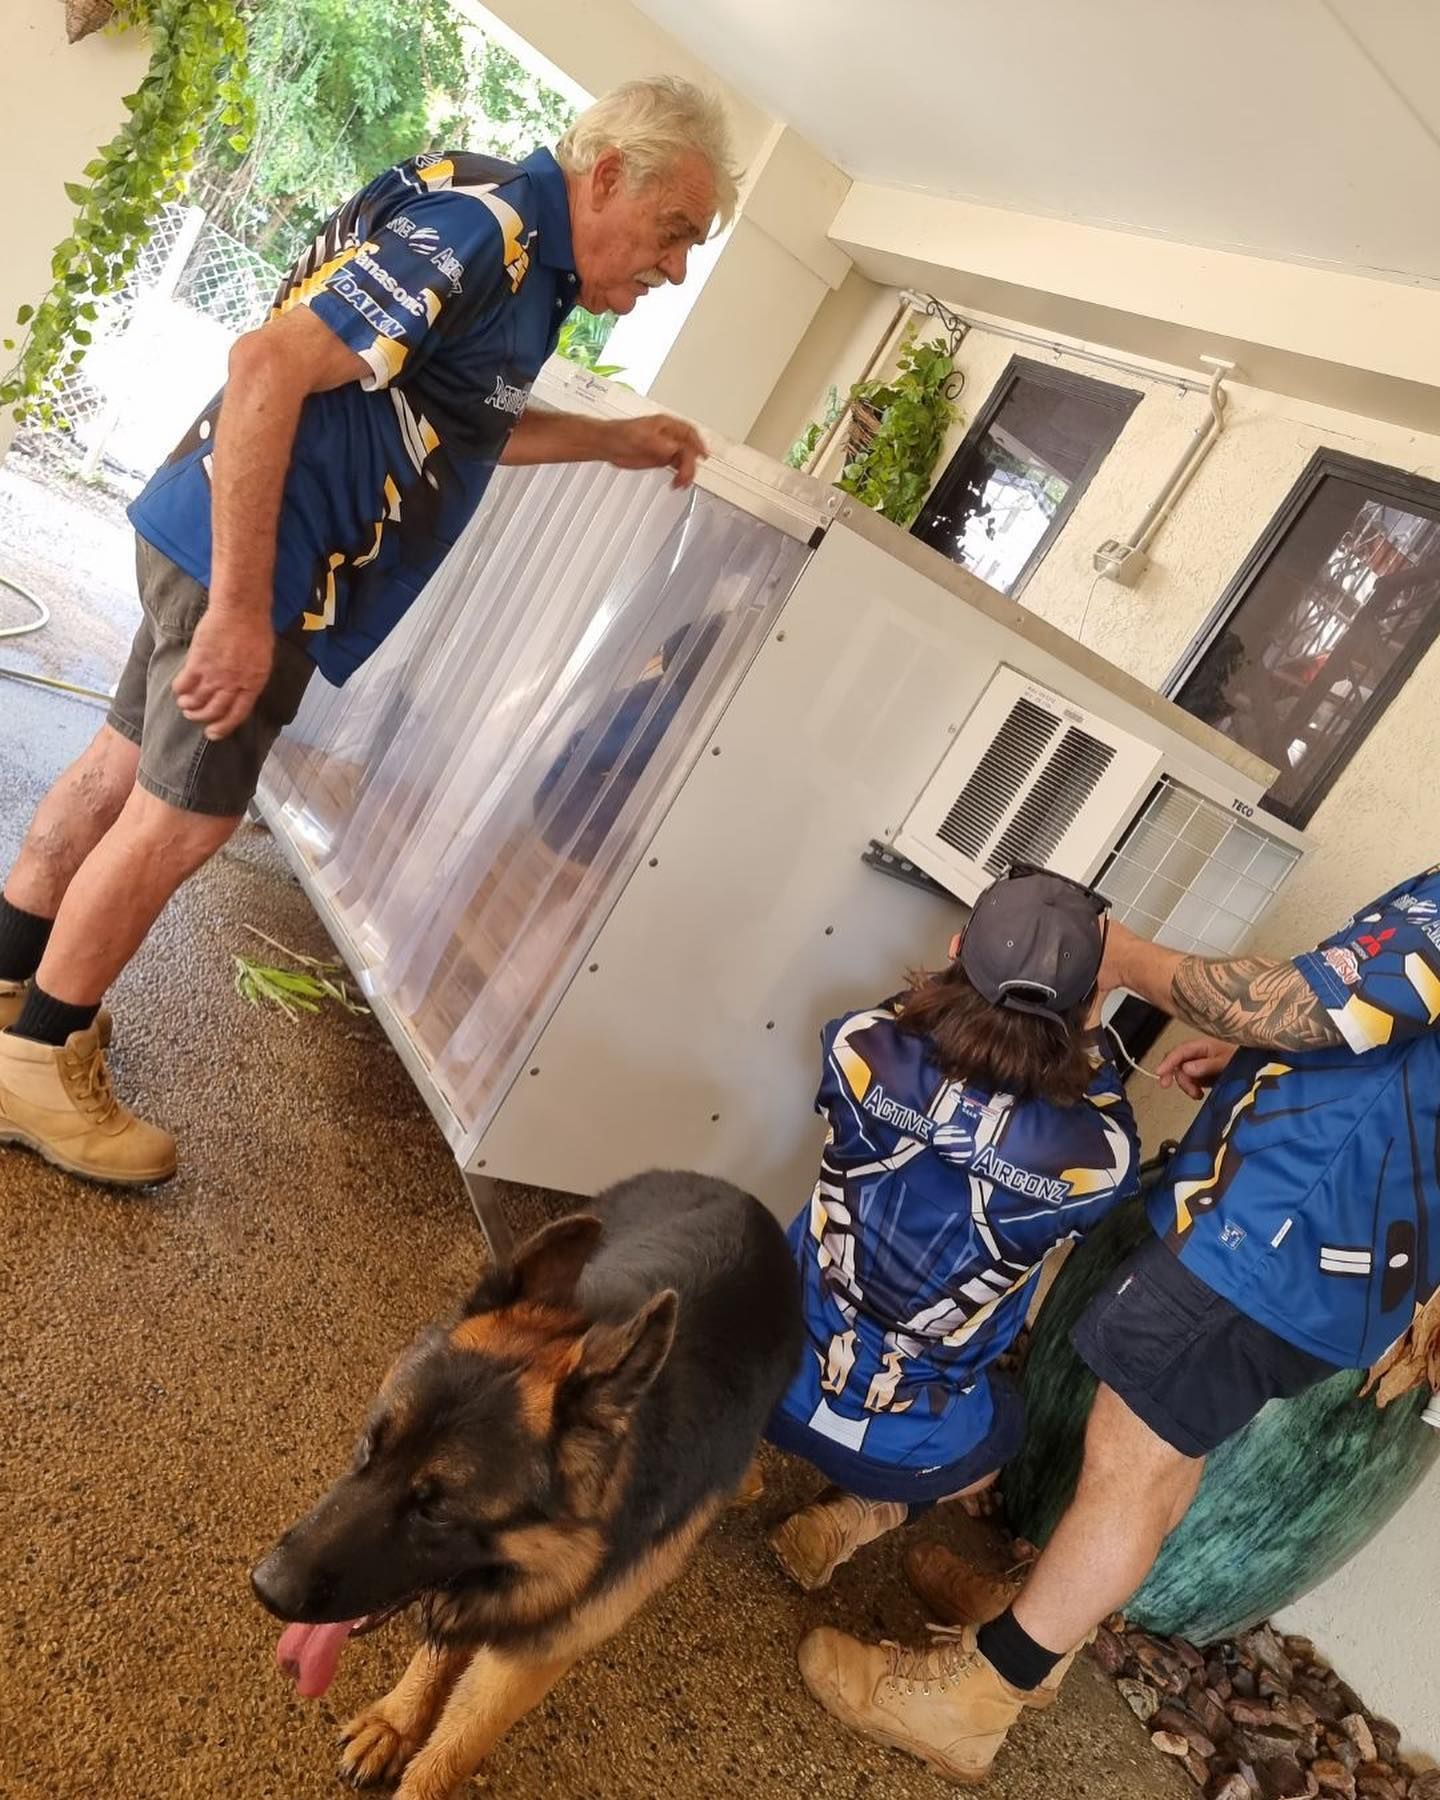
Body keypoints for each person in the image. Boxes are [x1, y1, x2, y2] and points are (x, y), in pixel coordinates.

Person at [0, 77, 737, 1186]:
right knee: (183, 820)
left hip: (213, 535)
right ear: (608, 175)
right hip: (260, 560)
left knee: (117, 771)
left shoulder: (512, 243)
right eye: (675, 232)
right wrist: (249, 610)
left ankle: (13, 983)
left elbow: (452, 418)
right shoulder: (484, 236)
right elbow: (269, 363)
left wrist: (607, 438)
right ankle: (37, 1063)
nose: (674, 266)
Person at [797, 862, 1440, 1787]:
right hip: (1328, 1245)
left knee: (1131, 1463)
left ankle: (973, 1698)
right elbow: (1381, 1043)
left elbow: (1315, 1006)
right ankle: (1038, 1637)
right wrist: (1273, 1067)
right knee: (1165, 1457)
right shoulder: (1090, 1152)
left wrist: (1123, 957)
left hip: (1275, 1233)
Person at [766, 864, 1140, 1590]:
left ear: (956, 945)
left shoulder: (859, 1045)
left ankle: (722, 1453)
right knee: (1006, 1428)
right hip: (904, 1449)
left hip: (759, 1375)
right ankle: (858, 1514)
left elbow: (903, 1017)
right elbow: (1101, 1114)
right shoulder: (1097, 1156)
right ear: (1090, 1004)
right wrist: (1085, 1044)